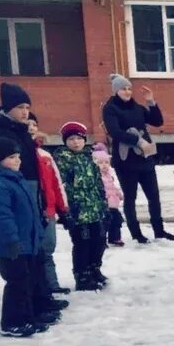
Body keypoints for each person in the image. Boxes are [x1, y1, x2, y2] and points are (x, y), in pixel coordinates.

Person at [0, 83, 67, 322]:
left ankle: (41, 299)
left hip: (30, 185)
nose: (25, 111)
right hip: (19, 185)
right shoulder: (1, 131)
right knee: (26, 258)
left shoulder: (20, 129)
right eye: (20, 107)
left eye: (28, 106)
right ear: (8, 108)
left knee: (37, 249)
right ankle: (27, 310)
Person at [0, 138, 46, 337]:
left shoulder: (15, 178)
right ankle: (12, 323)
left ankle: (26, 318)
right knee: (17, 282)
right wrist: (11, 240)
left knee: (27, 281)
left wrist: (38, 234)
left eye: (18, 156)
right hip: (10, 245)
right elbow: (1, 216)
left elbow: (30, 212)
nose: (18, 161)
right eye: (11, 157)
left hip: (27, 242)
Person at [102, 74, 174, 242]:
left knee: (154, 196)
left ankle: (159, 230)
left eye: (129, 88)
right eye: (123, 89)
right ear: (116, 91)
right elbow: (115, 132)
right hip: (125, 160)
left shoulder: (137, 107)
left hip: (145, 158)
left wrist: (151, 101)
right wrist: (138, 141)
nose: (127, 92)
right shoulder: (110, 108)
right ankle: (136, 234)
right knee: (130, 197)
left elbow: (157, 121)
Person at [54, 122, 109, 292]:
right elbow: (61, 187)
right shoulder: (62, 160)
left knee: (99, 241)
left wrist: (104, 206)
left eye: (79, 138)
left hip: (94, 209)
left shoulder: (89, 157)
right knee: (82, 244)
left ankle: (94, 268)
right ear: (65, 141)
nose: (76, 142)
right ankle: (82, 274)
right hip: (77, 211)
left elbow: (98, 183)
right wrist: (65, 212)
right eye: (71, 139)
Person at [32, 118, 72, 294]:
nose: (32, 129)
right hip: (32, 212)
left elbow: (56, 184)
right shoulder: (17, 155)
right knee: (35, 252)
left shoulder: (45, 156)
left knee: (48, 249)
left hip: (48, 211)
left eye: (34, 125)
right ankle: (40, 289)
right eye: (28, 126)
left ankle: (52, 285)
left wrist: (63, 210)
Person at [92, 144, 125, 246]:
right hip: (102, 205)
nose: (104, 165)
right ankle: (101, 240)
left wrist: (118, 194)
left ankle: (115, 237)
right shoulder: (94, 176)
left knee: (116, 221)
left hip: (113, 204)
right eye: (100, 163)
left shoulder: (109, 175)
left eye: (106, 162)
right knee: (103, 223)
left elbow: (112, 186)